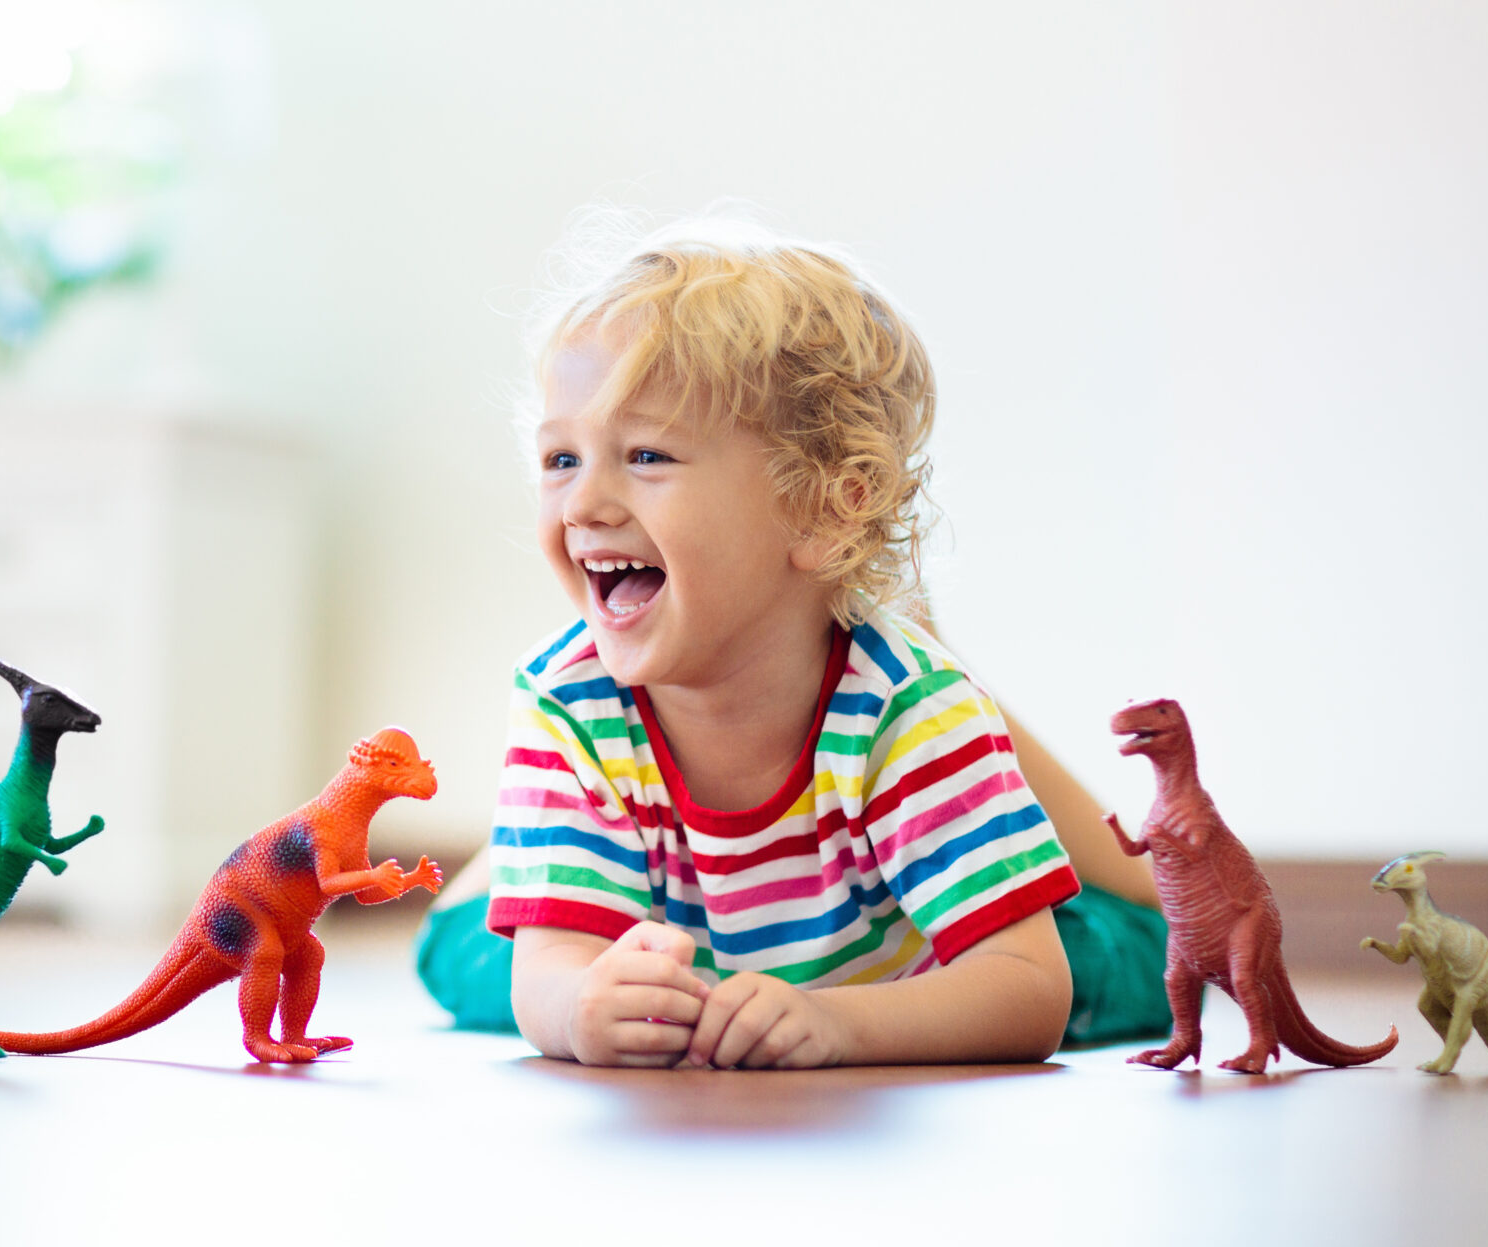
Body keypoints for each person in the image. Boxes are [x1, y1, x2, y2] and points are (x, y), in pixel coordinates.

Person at [415, 217, 1169, 1066]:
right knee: (472, 963)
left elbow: (1031, 989)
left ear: (823, 509)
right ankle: (529, 862)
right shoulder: (566, 697)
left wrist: (844, 1023)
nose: (583, 504)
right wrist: (579, 1007)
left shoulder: (904, 707)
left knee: (1135, 963)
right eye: (560, 459)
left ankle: (910, 643)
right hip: (671, 923)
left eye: (647, 454)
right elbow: (548, 975)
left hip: (886, 949)